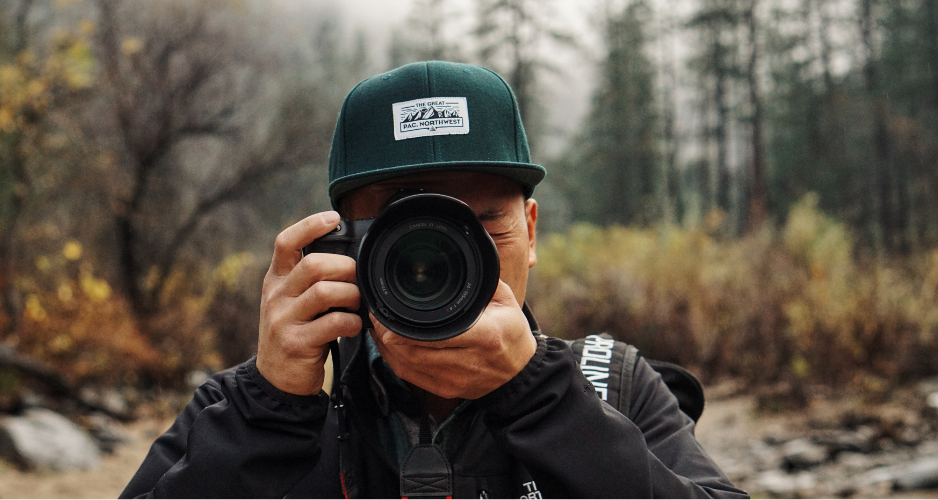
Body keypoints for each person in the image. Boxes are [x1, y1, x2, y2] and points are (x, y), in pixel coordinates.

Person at [121, 61, 747, 499]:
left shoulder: (612, 388)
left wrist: (543, 400)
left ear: (532, 231)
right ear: (341, 243)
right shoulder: (246, 408)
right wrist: (270, 414)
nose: (441, 262)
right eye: (406, 235)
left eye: (481, 226)